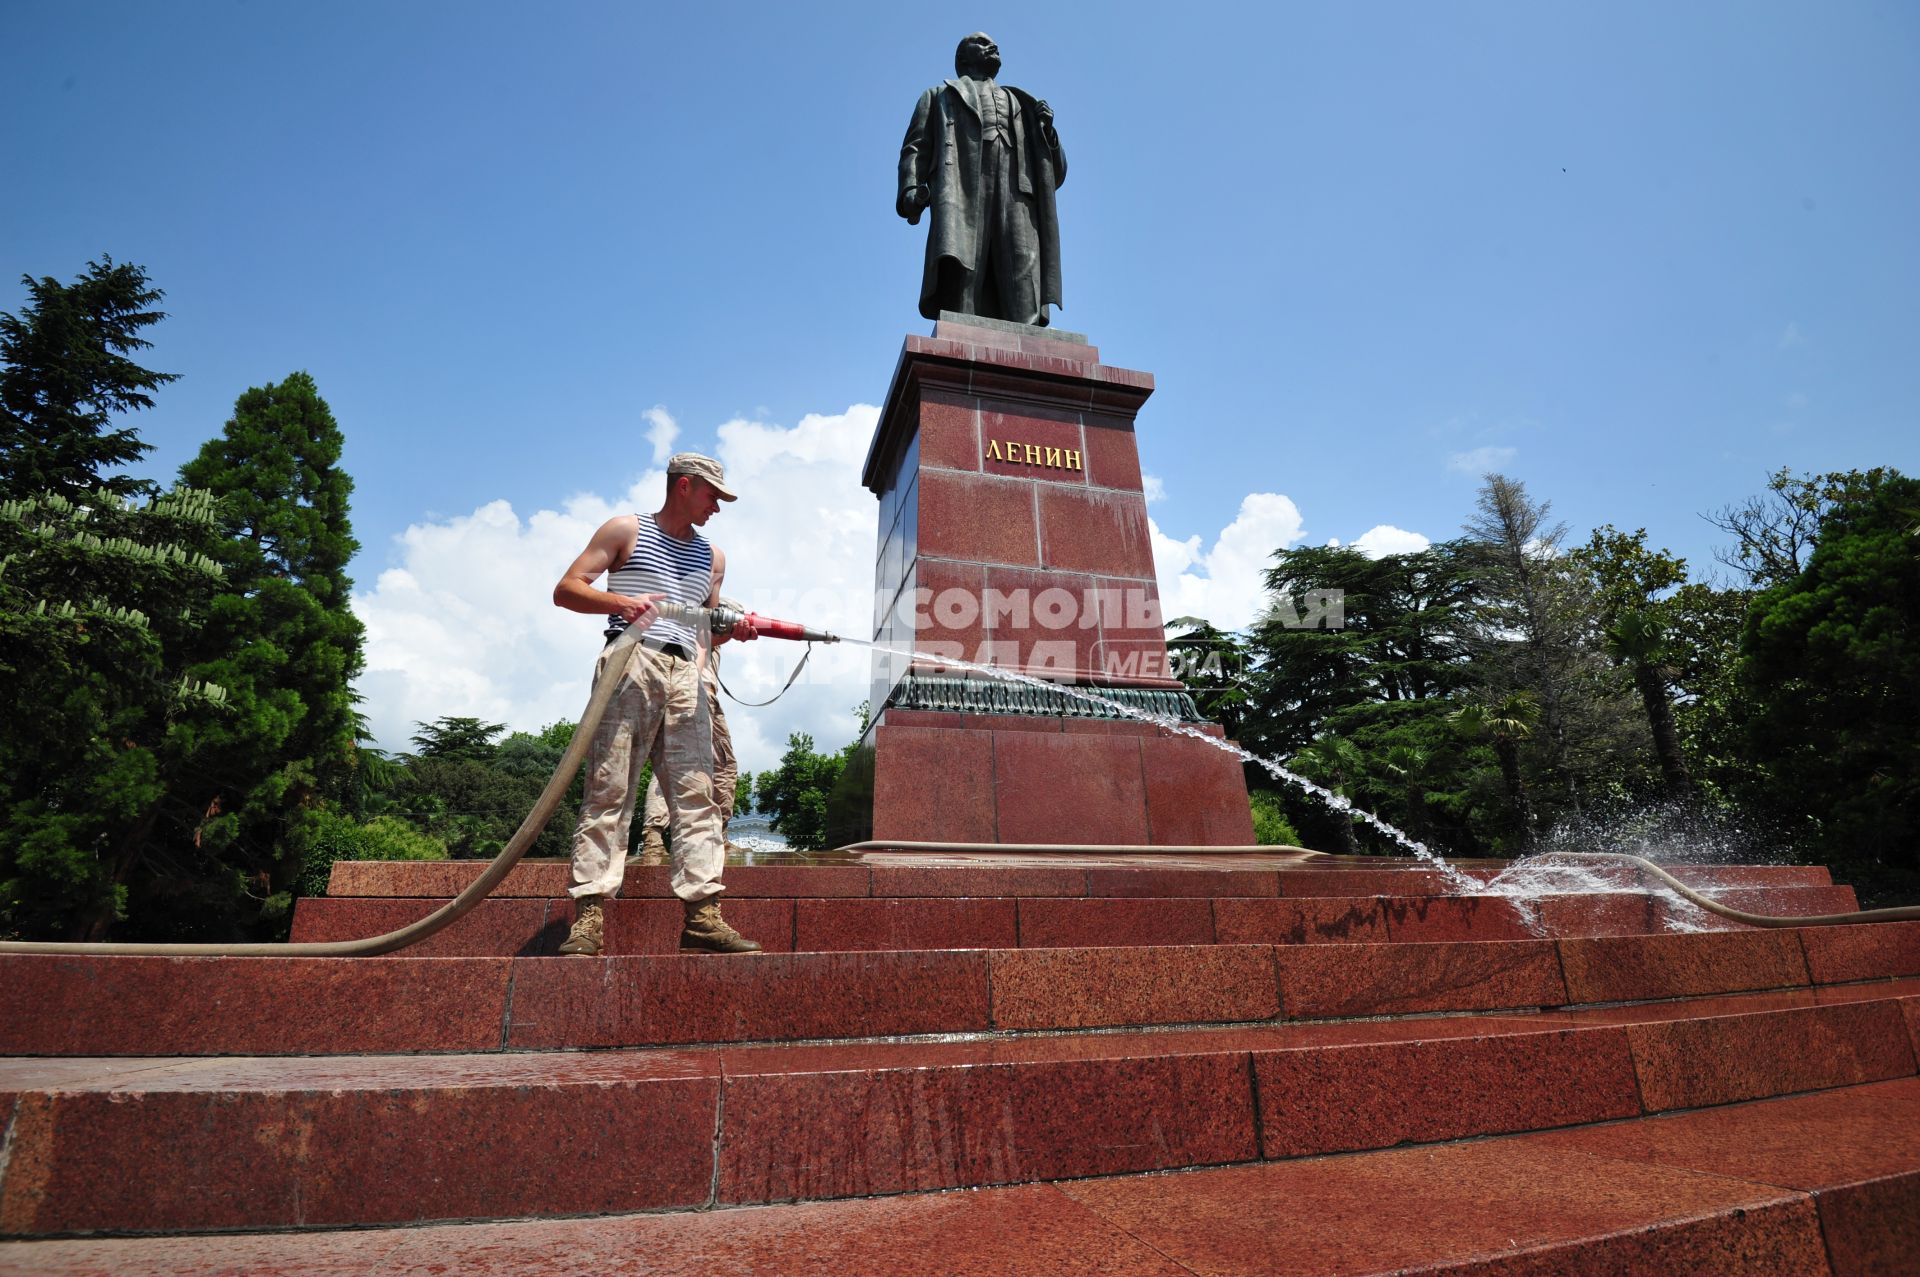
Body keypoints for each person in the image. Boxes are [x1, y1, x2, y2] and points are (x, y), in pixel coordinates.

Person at [551, 452, 761, 956]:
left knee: (697, 796)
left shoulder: (714, 558)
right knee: (610, 789)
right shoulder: (626, 530)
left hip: (689, 673)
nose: (718, 506)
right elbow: (567, 590)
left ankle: (703, 915)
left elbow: (704, 629)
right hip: (631, 661)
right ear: (684, 486)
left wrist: (735, 635)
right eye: (713, 495)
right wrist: (621, 602)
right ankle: (589, 917)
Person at [897, 32, 1066, 326]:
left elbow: (1054, 174)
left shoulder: (1022, 103)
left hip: (1016, 192)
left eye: (994, 43)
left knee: (1022, 265)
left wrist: (1048, 133)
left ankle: (1028, 346)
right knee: (964, 266)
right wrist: (911, 187)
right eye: (981, 43)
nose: (992, 46)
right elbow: (915, 147)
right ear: (962, 58)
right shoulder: (939, 96)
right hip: (961, 187)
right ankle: (963, 339)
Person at [638, 619, 743, 866]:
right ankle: (654, 836)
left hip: (698, 692)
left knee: (718, 766)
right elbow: (706, 637)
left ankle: (716, 834)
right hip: (693, 693)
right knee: (686, 765)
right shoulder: (695, 618)